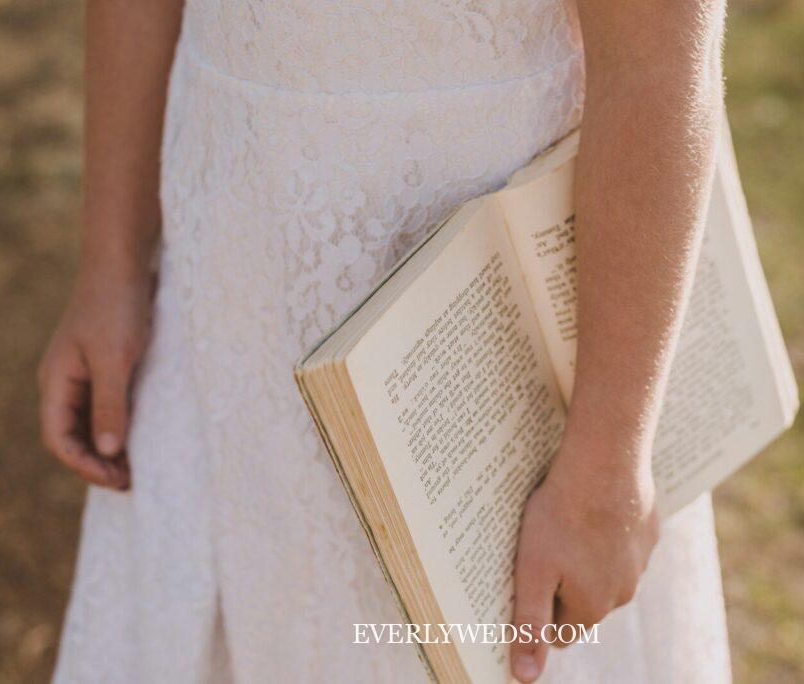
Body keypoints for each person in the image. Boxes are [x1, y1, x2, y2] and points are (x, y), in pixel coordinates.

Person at [38, 0, 731, 681]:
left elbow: (655, 73)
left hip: (485, 323)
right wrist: (110, 266)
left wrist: (605, 467)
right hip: (220, 285)